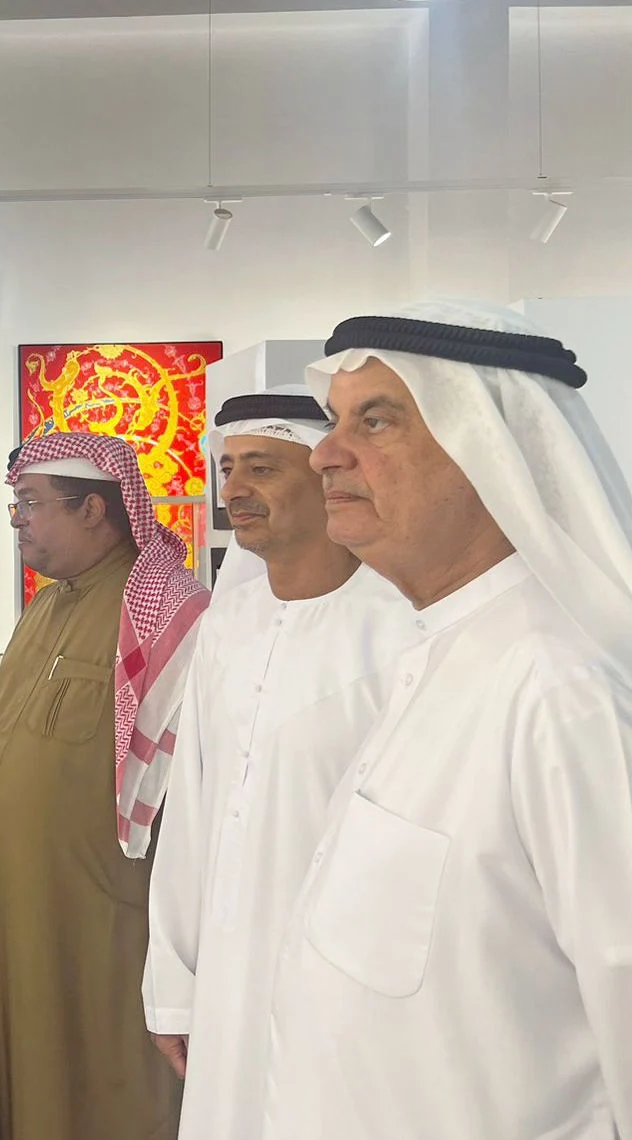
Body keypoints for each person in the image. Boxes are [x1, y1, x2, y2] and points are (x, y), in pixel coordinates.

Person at [260, 300, 632, 1138]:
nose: (324, 453)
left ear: (489, 451)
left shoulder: (561, 692)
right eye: (333, 421)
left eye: (376, 421)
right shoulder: (440, 650)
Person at [142, 387, 419, 1139]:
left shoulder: (402, 627)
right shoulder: (228, 622)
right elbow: (192, 813)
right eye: (227, 468)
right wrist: (173, 987)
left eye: (261, 468)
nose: (234, 489)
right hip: (228, 981)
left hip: (354, 986)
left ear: (326, 477)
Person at [0, 431, 210, 1140]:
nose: (17, 520)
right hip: (17, 900)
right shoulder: (47, 607)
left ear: (94, 509)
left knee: (99, 1067)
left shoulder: (171, 614)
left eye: (31, 503)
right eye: (16, 505)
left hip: (102, 913)